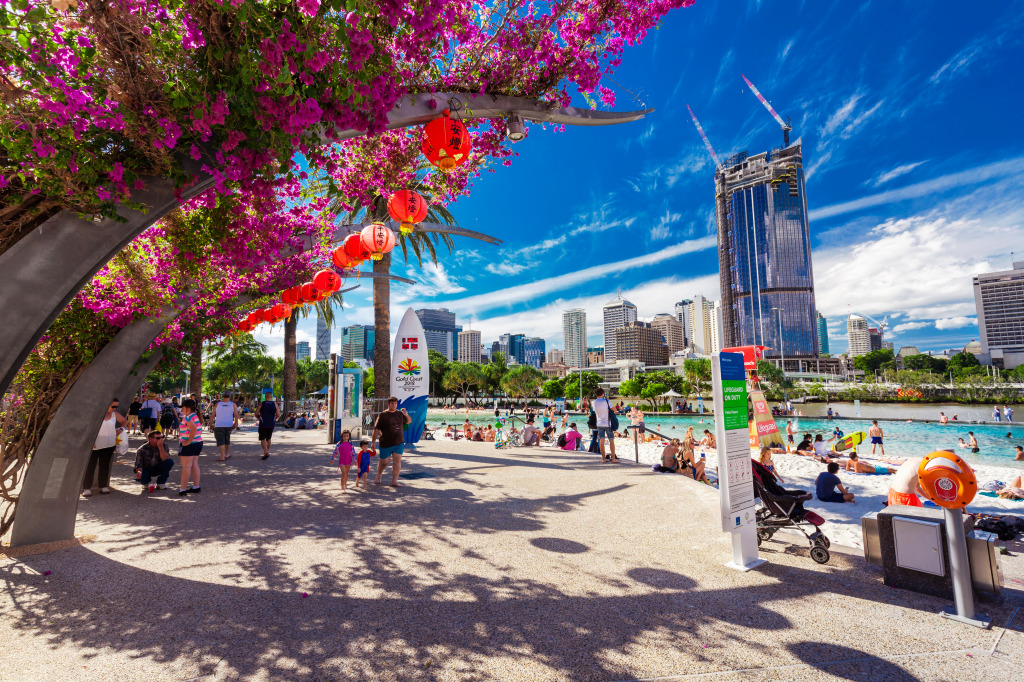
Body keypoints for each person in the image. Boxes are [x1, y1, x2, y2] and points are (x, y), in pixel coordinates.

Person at [82, 397, 128, 497]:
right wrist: (90, 441)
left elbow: (124, 421)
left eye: (117, 406)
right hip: (95, 444)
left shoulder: (114, 414)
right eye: (113, 406)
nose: (115, 408)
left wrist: (120, 428)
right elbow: (86, 428)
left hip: (109, 444)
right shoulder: (95, 414)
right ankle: (86, 488)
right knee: (90, 466)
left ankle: (103, 486)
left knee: (105, 466)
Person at [372, 397, 411, 486]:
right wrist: (373, 442)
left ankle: (394, 481)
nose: (394, 405)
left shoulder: (400, 414)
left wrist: (406, 415)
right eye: (392, 403)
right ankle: (379, 474)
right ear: (388, 404)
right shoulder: (383, 415)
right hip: (386, 443)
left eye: (395, 403)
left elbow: (409, 421)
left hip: (399, 442)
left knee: (397, 461)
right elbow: (376, 429)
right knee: (384, 462)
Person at [177, 398, 203, 496]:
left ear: (187, 408)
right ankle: (196, 486)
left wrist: (188, 441)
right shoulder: (195, 415)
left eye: (183, 408)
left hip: (190, 444)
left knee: (186, 466)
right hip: (198, 442)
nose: (182, 410)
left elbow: (193, 429)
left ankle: (182, 489)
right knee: (194, 464)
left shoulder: (188, 418)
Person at [592, 388, 618, 463]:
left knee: (601, 440)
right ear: (603, 394)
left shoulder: (593, 402)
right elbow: (614, 410)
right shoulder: (606, 401)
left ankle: (603, 459)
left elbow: (594, 411)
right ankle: (613, 459)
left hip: (599, 423)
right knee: (611, 440)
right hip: (607, 423)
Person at [211, 392, 239, 462]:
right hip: (228, 425)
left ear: (222, 396)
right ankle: (226, 454)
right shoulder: (233, 404)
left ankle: (222, 456)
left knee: (220, 441)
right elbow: (236, 415)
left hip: (219, 425)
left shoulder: (217, 404)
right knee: (227, 439)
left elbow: (212, 415)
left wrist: (210, 424)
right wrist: (236, 423)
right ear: (230, 396)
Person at [257, 393, 279, 460]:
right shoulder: (275, 404)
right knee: (269, 438)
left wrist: (258, 417)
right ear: (271, 397)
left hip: (263, 423)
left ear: (265, 397)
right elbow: (278, 414)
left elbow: (256, 412)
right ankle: (267, 451)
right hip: (271, 423)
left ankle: (265, 451)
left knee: (262, 438)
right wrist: (276, 418)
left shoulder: (261, 404)